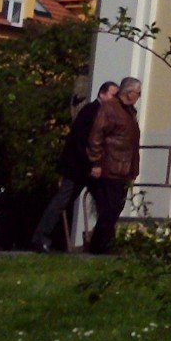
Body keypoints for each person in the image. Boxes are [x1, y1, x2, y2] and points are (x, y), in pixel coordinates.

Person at [32, 81, 116, 252]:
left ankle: (101, 241)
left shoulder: (101, 113)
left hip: (86, 167)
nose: (115, 99)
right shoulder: (91, 112)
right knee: (63, 201)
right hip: (79, 168)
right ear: (102, 94)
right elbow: (83, 141)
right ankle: (41, 237)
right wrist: (92, 164)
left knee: (105, 203)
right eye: (113, 95)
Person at [85, 76, 142, 254]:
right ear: (129, 92)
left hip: (125, 168)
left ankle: (104, 244)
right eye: (138, 93)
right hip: (110, 166)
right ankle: (98, 246)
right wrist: (96, 162)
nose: (139, 96)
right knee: (109, 208)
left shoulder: (130, 111)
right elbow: (96, 136)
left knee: (116, 208)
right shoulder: (109, 109)